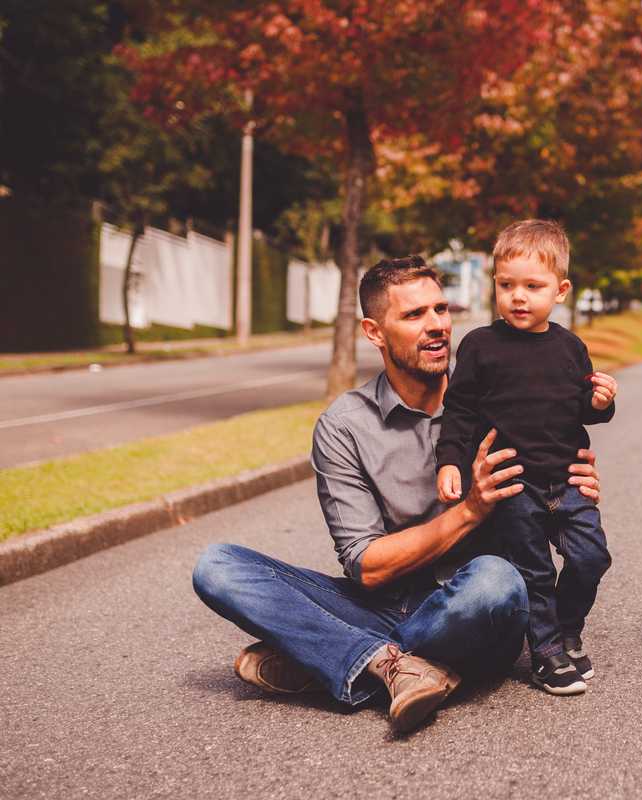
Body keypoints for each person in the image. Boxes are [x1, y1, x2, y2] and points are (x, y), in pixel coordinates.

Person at [191, 255, 601, 733]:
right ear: (375, 332)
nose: (437, 325)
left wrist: (570, 490)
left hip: (472, 606)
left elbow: (551, 507)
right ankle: (391, 666)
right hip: (380, 601)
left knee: (497, 581)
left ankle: (334, 656)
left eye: (440, 309)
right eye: (414, 315)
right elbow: (366, 567)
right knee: (217, 565)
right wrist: (470, 510)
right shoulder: (344, 426)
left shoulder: (503, 397)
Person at [435, 220, 617, 696]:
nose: (518, 297)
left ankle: (567, 628)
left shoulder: (571, 347)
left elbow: (583, 408)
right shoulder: (480, 346)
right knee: (534, 570)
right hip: (513, 482)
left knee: (592, 557)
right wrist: (449, 461)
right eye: (506, 285)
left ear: (560, 291)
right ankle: (547, 653)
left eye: (533, 286)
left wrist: (601, 402)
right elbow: (458, 411)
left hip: (568, 480)